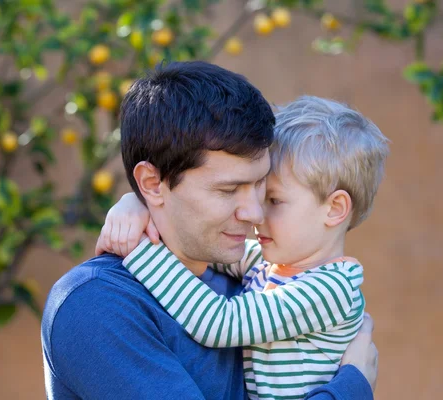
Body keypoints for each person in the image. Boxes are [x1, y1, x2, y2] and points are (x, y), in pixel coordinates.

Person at [42, 62, 378, 399]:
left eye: (261, 186)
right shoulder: (95, 305)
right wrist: (353, 386)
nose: (255, 213)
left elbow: (228, 320)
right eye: (229, 190)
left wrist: (141, 223)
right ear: (152, 183)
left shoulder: (240, 280)